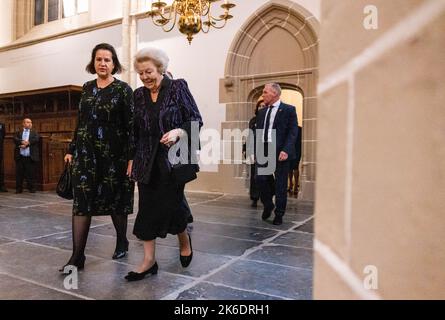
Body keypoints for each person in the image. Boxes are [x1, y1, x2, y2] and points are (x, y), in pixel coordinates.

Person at [125, 47, 203, 281]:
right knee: (147, 207)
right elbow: (134, 131)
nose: (145, 77)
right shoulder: (138, 95)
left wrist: (179, 132)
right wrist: (131, 158)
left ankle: (183, 239)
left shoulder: (178, 87)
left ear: (160, 69)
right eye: (140, 73)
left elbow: (195, 120)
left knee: (173, 204)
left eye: (148, 71)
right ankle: (149, 262)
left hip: (173, 160)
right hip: (145, 159)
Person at [59, 43, 135, 274]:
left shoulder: (124, 90)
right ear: (93, 62)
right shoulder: (87, 88)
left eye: (107, 59)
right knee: (82, 202)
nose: (103, 63)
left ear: (114, 64)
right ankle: (77, 256)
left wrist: (132, 158)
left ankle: (122, 240)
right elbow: (81, 121)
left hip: (114, 156)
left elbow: (132, 126)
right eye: (99, 59)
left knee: (116, 200)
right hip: (85, 154)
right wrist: (72, 148)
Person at [255, 83, 298, 225]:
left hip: (280, 150)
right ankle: (268, 204)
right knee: (260, 178)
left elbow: (293, 132)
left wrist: (286, 150)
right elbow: (259, 133)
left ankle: (279, 214)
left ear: (274, 93)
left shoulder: (288, 110)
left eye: (265, 92)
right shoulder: (261, 112)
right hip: (264, 150)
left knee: (280, 183)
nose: (263, 94)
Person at [14, 118, 40, 193]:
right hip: (20, 157)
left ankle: (32, 188)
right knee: (19, 174)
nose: (30, 124)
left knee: (31, 174)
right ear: (23, 123)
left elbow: (36, 139)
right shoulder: (19, 132)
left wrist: (27, 143)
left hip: (30, 157)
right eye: (28, 122)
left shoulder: (34, 132)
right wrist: (22, 142)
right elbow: (15, 139)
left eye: (30, 122)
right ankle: (19, 189)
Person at [288, 125, 302, 195]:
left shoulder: (300, 129)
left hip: (297, 150)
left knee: (295, 167)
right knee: (289, 168)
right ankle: (290, 184)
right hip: (289, 150)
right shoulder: (288, 129)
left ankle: (296, 185)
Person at [0, 122, 7, 192]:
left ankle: (1, 186)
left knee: (1, 168)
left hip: (0, 149)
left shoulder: (2, 124)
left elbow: (3, 135)